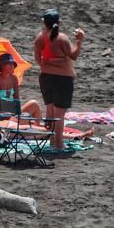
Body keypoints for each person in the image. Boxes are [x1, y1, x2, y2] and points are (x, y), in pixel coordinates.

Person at [33, 9, 84, 152]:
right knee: (59, 114)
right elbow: (73, 55)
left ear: (44, 23)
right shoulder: (62, 38)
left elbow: (39, 60)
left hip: (45, 78)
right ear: (59, 23)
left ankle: (51, 142)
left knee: (50, 111)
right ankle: (59, 145)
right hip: (62, 79)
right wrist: (79, 41)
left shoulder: (40, 38)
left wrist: (51, 61)